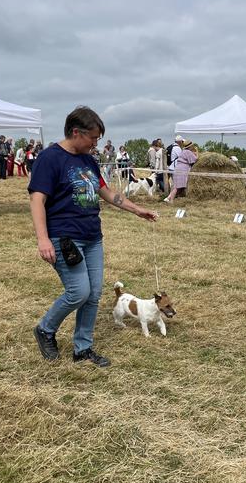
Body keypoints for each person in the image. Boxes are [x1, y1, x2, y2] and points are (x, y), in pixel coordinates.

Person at [28, 106, 158, 366]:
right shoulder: (49, 158)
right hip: (65, 238)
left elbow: (106, 192)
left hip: (92, 237)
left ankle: (83, 349)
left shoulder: (88, 161)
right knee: (79, 292)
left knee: (94, 294)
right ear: (76, 132)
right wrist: (43, 239)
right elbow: (37, 199)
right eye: (93, 138)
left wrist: (137, 210)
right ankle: (45, 328)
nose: (95, 143)